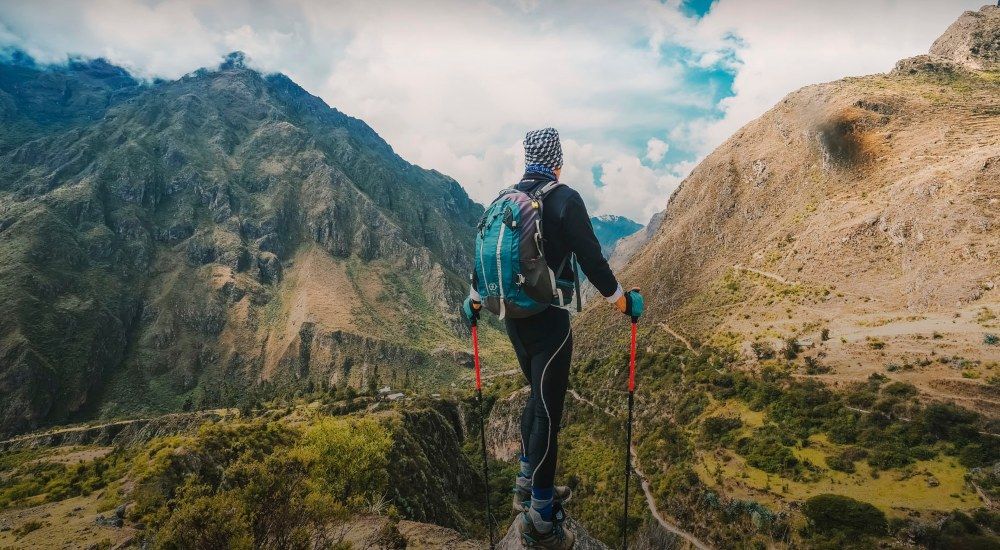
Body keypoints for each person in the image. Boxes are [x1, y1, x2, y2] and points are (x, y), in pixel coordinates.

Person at [463, 128, 644, 549]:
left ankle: (526, 485)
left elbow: (483, 263)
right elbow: (592, 259)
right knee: (548, 413)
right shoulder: (565, 199)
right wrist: (623, 302)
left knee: (534, 397)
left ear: (527, 158)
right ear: (558, 159)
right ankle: (540, 517)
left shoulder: (504, 200)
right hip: (549, 323)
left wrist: (472, 305)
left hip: (512, 320)